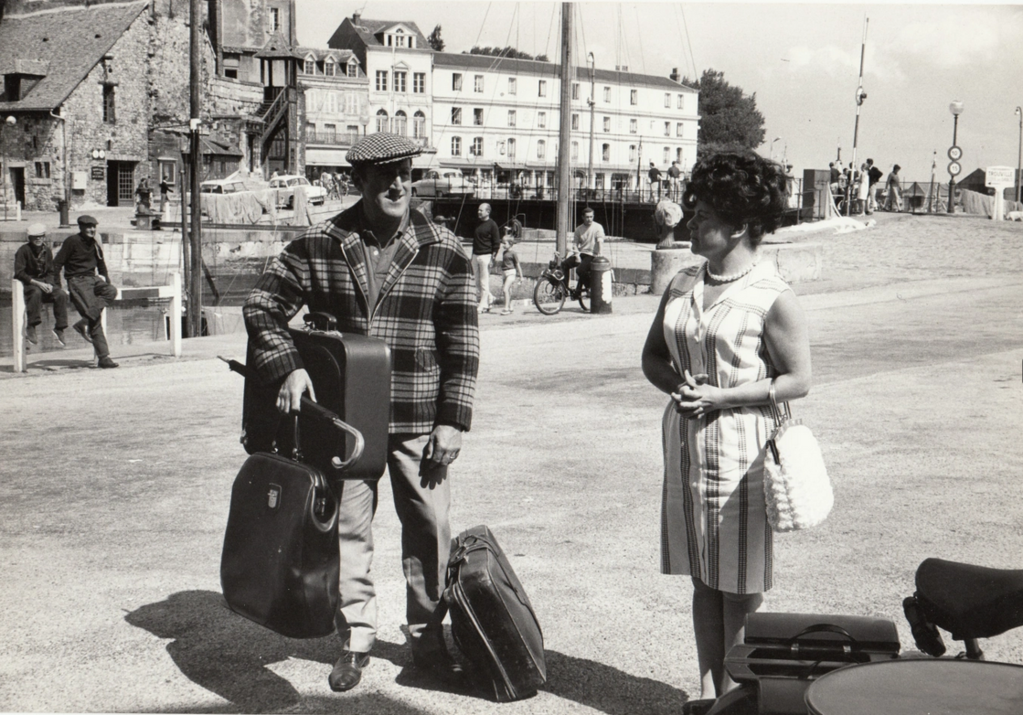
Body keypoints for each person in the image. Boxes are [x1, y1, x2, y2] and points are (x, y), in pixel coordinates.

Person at [243, 133, 479, 693]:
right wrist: (289, 365)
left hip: (419, 416)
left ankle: (426, 636)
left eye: (404, 174)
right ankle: (356, 637)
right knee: (349, 529)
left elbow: (462, 343)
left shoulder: (444, 247)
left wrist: (453, 420)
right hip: (346, 421)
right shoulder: (320, 242)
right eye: (383, 177)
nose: (397, 185)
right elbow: (262, 304)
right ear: (360, 183)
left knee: (431, 528)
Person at [641, 152, 812, 712]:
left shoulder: (772, 293)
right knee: (704, 579)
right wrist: (680, 388)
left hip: (743, 452)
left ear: (739, 225)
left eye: (703, 214)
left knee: (740, 585)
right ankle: (709, 690)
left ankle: (739, 701)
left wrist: (723, 395)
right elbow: (652, 357)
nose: (689, 222)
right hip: (687, 445)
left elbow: (797, 380)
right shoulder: (684, 282)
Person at [53, 215, 119, 368]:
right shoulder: (72, 242)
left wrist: (106, 281)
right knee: (94, 318)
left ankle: (83, 322)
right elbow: (56, 264)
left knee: (111, 291)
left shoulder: (95, 242)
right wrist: (57, 285)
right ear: (81, 228)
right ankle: (104, 357)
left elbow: (101, 264)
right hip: (78, 281)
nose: (92, 230)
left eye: (94, 227)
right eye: (88, 227)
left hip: (93, 278)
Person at [14, 223, 69, 347]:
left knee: (61, 294)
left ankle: (60, 328)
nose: (38, 239)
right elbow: (19, 273)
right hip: (30, 283)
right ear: (30, 238)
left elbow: (50, 271)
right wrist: (37, 283)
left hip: (44, 282)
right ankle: (31, 326)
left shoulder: (47, 251)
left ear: (44, 237)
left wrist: (50, 284)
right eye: (35, 237)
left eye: (41, 236)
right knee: (36, 292)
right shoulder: (23, 251)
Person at [565, 206, 605, 297]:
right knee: (564, 264)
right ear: (583, 217)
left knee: (580, 270)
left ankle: (590, 287)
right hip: (581, 253)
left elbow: (600, 241)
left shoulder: (598, 227)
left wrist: (600, 253)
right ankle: (564, 290)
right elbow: (575, 244)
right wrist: (577, 255)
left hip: (592, 254)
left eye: (591, 217)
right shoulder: (579, 229)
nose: (589, 219)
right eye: (587, 217)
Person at [472, 202, 501, 313]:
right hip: (475, 255)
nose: (479, 212)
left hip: (486, 256)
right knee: (476, 282)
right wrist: (472, 257)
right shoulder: (477, 223)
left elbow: (496, 244)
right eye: (478, 210)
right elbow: (475, 241)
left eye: (481, 210)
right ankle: (490, 298)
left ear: (488, 212)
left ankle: (482, 305)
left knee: (484, 283)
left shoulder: (492, 225)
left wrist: (492, 259)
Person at [497, 230, 523, 315]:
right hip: (504, 272)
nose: (503, 245)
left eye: (505, 243)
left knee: (505, 289)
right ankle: (510, 306)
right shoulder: (504, 252)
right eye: (503, 243)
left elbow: (517, 264)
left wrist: (521, 276)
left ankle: (506, 308)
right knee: (509, 290)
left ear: (510, 243)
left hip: (511, 273)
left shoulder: (513, 253)